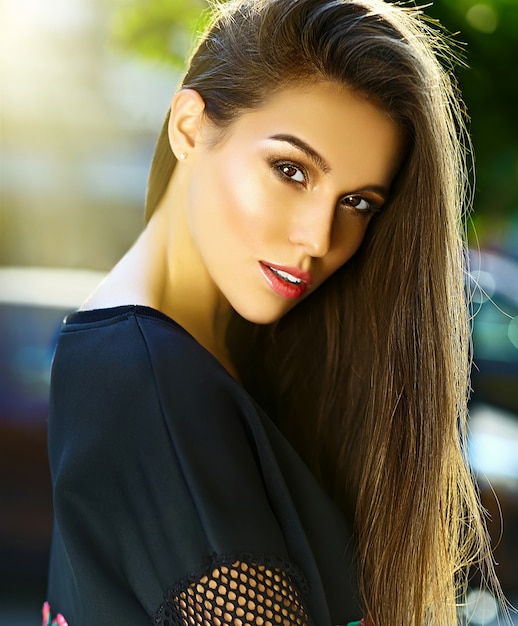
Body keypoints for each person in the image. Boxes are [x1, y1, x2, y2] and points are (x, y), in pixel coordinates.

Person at [43, 0, 505, 624]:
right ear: (189, 128)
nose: (319, 237)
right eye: (290, 170)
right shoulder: (156, 385)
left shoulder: (154, 358)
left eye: (360, 203)